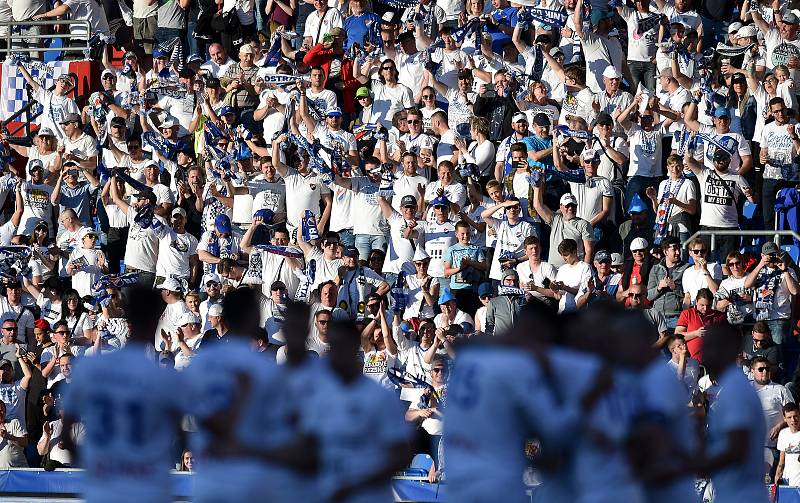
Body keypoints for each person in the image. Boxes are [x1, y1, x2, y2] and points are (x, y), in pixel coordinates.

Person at [60, 286, 185, 503]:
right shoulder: (165, 379)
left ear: (129, 318)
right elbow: (177, 435)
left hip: (104, 487)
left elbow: (66, 434)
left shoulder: (91, 369)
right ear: (155, 320)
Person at [698, 323, 770, 503]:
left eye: (710, 345)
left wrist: (686, 466)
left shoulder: (735, 388)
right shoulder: (732, 385)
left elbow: (737, 447)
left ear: (731, 349)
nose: (704, 352)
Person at [775, 402, 800, 486]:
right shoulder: (783, 434)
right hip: (788, 483)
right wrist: (777, 475)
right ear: (784, 419)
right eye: (789, 417)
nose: (793, 420)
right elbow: (781, 461)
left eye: (795, 416)